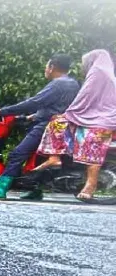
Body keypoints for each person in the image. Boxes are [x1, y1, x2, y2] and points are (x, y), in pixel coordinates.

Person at [0, 54, 80, 200]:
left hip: (48, 125)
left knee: (17, 154)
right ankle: (35, 190)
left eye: (47, 66)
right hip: (61, 124)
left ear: (52, 67)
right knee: (38, 158)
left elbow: (34, 102)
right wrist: (31, 117)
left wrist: (3, 111)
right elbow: (58, 106)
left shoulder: (58, 83)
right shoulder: (73, 83)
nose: (45, 69)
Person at [34, 49, 116, 200]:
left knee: (92, 140)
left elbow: (84, 98)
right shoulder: (104, 74)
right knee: (57, 123)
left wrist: (70, 113)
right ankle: (55, 157)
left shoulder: (98, 73)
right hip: (92, 117)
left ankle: (90, 185)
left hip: (103, 120)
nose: (83, 66)